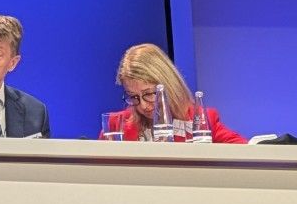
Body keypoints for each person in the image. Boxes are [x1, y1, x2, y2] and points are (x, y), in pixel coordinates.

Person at [103, 42, 245, 142]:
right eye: (134, 97)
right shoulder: (116, 125)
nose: (143, 106)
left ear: (168, 85)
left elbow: (243, 152)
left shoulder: (201, 120)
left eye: (148, 94)